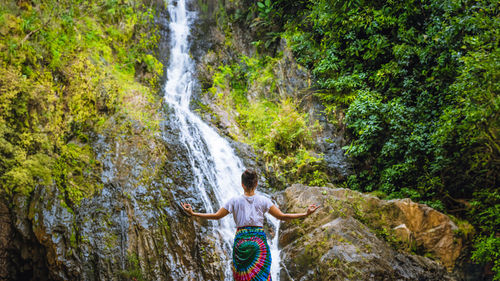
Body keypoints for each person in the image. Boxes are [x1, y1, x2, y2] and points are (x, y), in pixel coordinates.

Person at [181, 169, 320, 281]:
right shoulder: (264, 200)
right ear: (256, 184)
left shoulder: (234, 201)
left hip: (241, 242)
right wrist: (305, 214)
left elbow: (216, 216)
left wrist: (193, 213)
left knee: (242, 277)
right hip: (258, 243)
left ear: (242, 184)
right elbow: (282, 216)